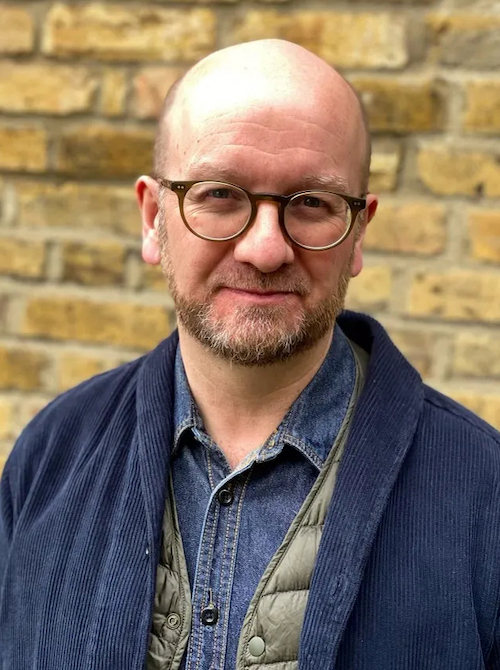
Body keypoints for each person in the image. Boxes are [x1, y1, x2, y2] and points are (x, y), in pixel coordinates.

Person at [1, 39, 500, 670]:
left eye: (312, 203)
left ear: (358, 234)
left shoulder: (484, 494)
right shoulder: (52, 456)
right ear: (153, 218)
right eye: (220, 195)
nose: (265, 250)